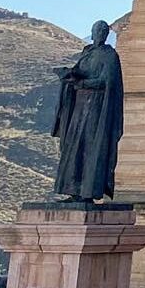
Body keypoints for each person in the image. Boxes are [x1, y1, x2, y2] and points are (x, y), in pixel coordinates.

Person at [51, 20, 124, 202]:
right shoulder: (87, 54)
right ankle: (74, 190)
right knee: (74, 147)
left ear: (106, 35)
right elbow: (79, 72)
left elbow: (106, 81)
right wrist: (69, 75)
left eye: (102, 31)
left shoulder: (110, 56)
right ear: (92, 33)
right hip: (79, 107)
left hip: (97, 110)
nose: (99, 34)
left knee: (91, 148)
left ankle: (88, 192)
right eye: (96, 31)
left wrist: (82, 83)